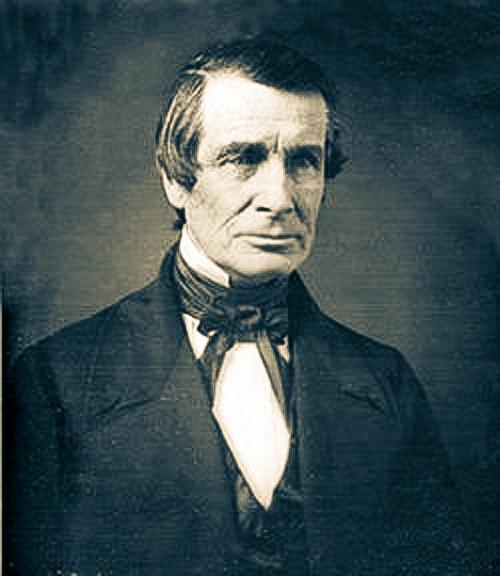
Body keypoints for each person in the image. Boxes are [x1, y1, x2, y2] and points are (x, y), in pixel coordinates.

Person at [4, 37, 489, 576]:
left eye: (304, 161)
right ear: (175, 179)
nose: (279, 198)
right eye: (243, 158)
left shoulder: (386, 382)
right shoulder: (56, 382)